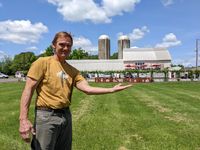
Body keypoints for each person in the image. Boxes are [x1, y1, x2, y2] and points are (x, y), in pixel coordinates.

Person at [19, 31, 132, 150]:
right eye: (62, 44)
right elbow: (28, 90)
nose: (65, 48)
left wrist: (111, 90)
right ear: (53, 45)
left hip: (66, 116)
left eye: (68, 45)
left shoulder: (72, 70)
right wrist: (23, 119)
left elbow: (87, 89)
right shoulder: (42, 63)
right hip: (46, 116)